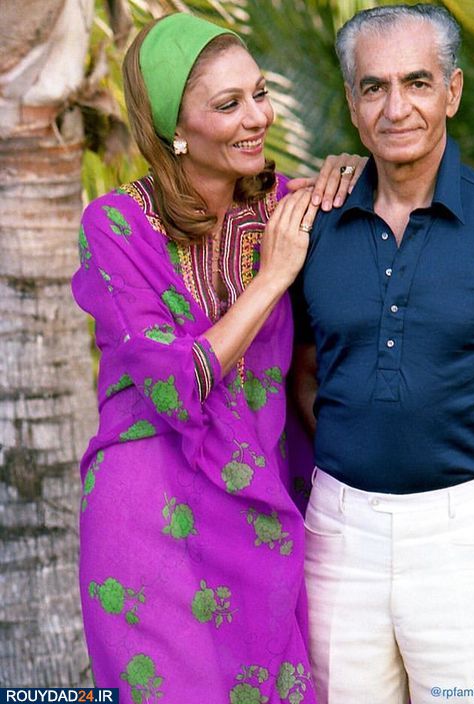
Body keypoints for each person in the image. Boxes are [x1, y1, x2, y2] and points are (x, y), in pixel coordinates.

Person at [72, 12, 362, 703]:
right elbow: (174, 384)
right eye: (229, 105)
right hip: (148, 525)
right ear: (174, 128)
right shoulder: (116, 226)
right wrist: (272, 277)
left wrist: (356, 172)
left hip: (257, 512)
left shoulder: (286, 207)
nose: (259, 117)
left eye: (259, 93)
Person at [292, 4, 474, 703]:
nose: (396, 107)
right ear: (352, 103)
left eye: (417, 82)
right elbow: (307, 374)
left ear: (453, 91)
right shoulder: (311, 227)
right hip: (339, 536)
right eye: (374, 87)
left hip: (469, 539)